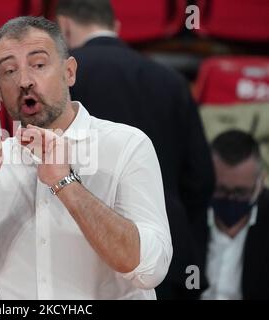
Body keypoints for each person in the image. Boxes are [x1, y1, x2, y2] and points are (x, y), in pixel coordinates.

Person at [0, 16, 172, 300]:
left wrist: (65, 182)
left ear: (69, 72)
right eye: (9, 71)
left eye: (39, 65)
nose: (24, 81)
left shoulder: (127, 145)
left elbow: (150, 270)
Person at [55, 0, 215, 299]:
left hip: (85, 257)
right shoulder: (172, 81)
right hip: (168, 252)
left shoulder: (58, 83)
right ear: (116, 28)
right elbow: (201, 179)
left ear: (63, 26)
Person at [194, 130, 269, 300]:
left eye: (240, 192)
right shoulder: (189, 219)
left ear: (260, 183)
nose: (230, 199)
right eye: (221, 190)